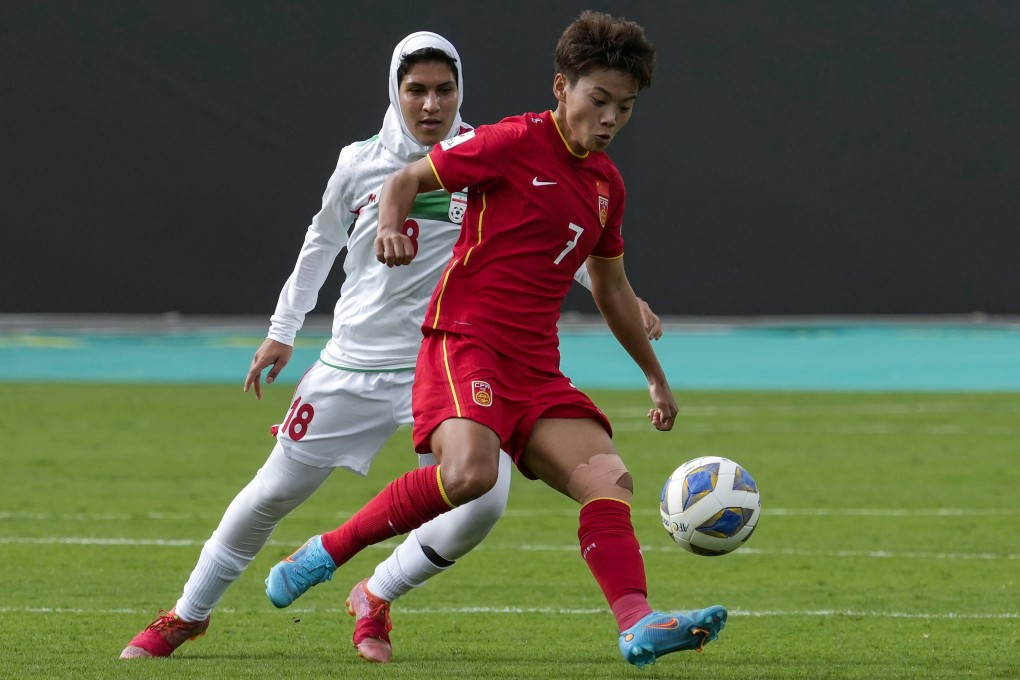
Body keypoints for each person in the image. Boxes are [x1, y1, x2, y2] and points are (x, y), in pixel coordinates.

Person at [120, 31, 662, 663]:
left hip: (452, 360)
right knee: (270, 495)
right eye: (416, 91)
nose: (431, 105)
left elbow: (539, 237)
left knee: (479, 505)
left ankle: (375, 594)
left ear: (461, 93)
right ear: (394, 92)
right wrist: (282, 329)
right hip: (354, 362)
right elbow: (320, 243)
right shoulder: (361, 162)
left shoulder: (487, 154)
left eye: (445, 90)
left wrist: (624, 295)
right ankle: (188, 614)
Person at [265, 11, 726, 670]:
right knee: (472, 476)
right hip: (465, 341)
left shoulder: (605, 187)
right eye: (599, 100)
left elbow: (613, 290)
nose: (610, 119)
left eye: (624, 108)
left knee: (608, 479)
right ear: (561, 87)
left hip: (536, 366)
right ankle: (328, 550)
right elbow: (405, 180)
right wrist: (392, 225)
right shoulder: (512, 141)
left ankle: (637, 622)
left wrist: (655, 376)